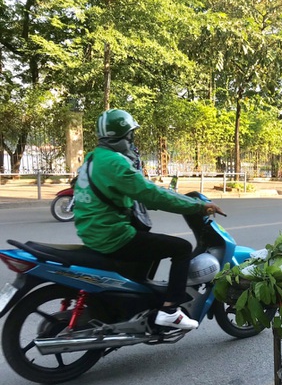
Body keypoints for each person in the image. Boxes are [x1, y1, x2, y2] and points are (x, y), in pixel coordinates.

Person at [73, 109, 225, 330]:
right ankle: (171, 310)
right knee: (181, 248)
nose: (132, 141)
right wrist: (198, 207)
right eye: (130, 136)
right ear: (124, 137)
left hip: (92, 232)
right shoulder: (115, 163)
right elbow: (151, 194)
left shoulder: (93, 158)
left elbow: (141, 194)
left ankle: (137, 302)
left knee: (149, 242)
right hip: (112, 236)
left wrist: (166, 197)